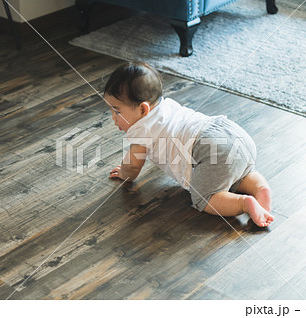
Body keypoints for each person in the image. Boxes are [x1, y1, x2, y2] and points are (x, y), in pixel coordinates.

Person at [106, 61, 273, 227]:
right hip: (232, 133)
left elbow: (132, 168)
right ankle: (260, 188)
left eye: (117, 110)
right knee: (237, 173)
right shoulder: (167, 105)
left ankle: (244, 203)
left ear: (143, 109)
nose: (113, 116)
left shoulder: (142, 130)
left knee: (204, 198)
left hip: (210, 147)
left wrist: (124, 173)